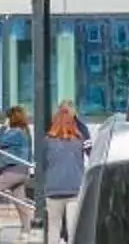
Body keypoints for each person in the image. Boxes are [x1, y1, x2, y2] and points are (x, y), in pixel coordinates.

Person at [42, 102, 91, 242]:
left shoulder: (47, 141)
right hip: (75, 188)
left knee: (54, 227)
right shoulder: (79, 140)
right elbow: (90, 153)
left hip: (53, 188)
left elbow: (42, 164)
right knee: (72, 227)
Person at [0, 105, 35, 224]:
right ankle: (26, 232)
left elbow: (0, 141)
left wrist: (3, 126)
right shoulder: (25, 131)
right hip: (22, 171)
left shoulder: (16, 132)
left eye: (8, 117)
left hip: (13, 170)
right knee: (20, 202)